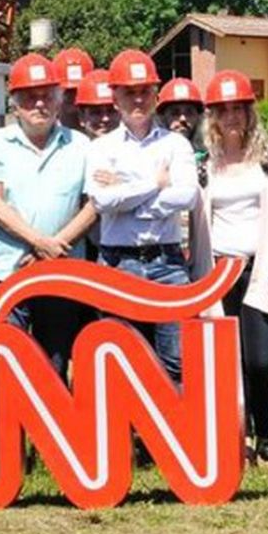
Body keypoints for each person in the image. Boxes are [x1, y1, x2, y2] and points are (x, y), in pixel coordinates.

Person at [0, 54, 97, 379]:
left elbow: (94, 205)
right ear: (15, 104)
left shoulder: (81, 145)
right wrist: (39, 243)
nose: (38, 104)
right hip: (8, 272)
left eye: (46, 96)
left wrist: (55, 247)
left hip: (62, 273)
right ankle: (9, 429)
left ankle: (46, 430)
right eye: (29, 97)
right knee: (2, 363)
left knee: (52, 365)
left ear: (58, 100)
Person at [189, 70, 268, 465]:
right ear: (212, 117)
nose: (232, 116)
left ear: (251, 113)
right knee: (226, 360)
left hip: (260, 267)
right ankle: (238, 437)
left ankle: (265, 435)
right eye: (224, 110)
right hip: (218, 270)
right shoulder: (204, 166)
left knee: (261, 359)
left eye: (239, 108)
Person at [86, 50, 199, 382]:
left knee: (176, 361)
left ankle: (168, 433)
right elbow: (102, 200)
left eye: (144, 91)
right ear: (116, 96)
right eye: (129, 92)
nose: (138, 99)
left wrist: (131, 197)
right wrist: (154, 183)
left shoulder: (176, 144)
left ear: (155, 94)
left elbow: (187, 195)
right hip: (119, 264)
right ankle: (130, 435)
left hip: (168, 264)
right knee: (122, 362)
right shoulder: (101, 147)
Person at [157, 78, 205, 159]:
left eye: (189, 112)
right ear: (162, 118)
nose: (183, 119)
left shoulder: (209, 158)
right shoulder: (152, 156)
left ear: (198, 117)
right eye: (175, 113)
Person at [53, 48, 94, 133]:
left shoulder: (106, 132)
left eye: (78, 90)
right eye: (68, 90)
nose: (73, 96)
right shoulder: (45, 135)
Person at [74, 69, 120, 139]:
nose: (105, 119)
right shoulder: (73, 149)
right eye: (96, 112)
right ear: (81, 116)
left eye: (111, 111)